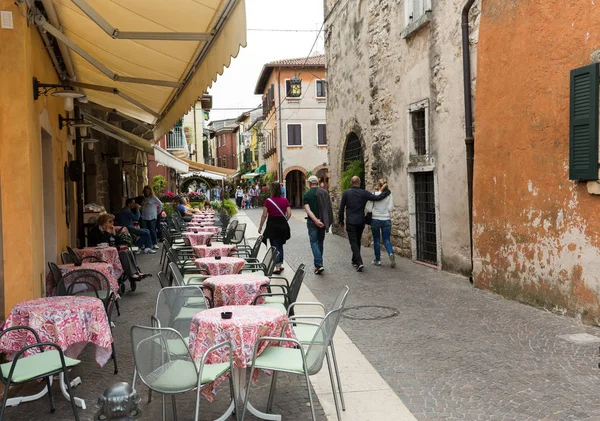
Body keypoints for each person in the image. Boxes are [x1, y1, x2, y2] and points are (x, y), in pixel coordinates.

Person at [338, 176, 391, 272]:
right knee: (357, 241)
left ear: (351, 182)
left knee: (353, 242)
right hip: (360, 221)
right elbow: (377, 198)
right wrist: (386, 192)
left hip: (350, 222)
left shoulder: (346, 193)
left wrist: (341, 221)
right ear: (360, 182)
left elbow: (341, 208)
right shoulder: (364, 193)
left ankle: (359, 262)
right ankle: (354, 260)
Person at [88, 213, 145, 281]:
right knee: (124, 253)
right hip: (102, 253)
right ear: (103, 222)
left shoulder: (108, 229)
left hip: (112, 250)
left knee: (128, 251)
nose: (112, 223)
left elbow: (117, 242)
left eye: (112, 221)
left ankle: (136, 272)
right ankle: (132, 274)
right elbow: (100, 243)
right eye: (110, 222)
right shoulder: (95, 231)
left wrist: (114, 233)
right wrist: (108, 233)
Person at [258, 181, 291, 275]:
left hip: (272, 225)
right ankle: (279, 264)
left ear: (272, 190)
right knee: (280, 245)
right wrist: (284, 221)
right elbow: (289, 213)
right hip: (282, 225)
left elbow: (264, 215)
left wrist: (260, 227)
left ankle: (277, 267)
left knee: (274, 245)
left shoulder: (268, 201)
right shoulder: (285, 200)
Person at [303, 175, 333, 275]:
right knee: (320, 242)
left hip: (312, 222)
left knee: (314, 242)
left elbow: (308, 210)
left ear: (309, 183)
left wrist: (316, 221)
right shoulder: (324, 192)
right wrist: (324, 221)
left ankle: (319, 265)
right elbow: (329, 207)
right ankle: (319, 264)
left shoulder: (307, 195)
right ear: (317, 182)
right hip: (323, 221)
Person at [366, 178, 396, 268]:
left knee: (376, 240)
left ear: (378, 185)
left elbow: (369, 209)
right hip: (386, 219)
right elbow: (391, 208)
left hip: (375, 219)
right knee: (386, 239)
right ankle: (391, 253)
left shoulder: (374, 194)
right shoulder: (389, 195)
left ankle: (378, 260)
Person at [140, 185, 162, 249]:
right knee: (145, 231)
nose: (146, 192)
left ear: (150, 191)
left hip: (152, 216)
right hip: (144, 216)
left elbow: (160, 204)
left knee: (152, 230)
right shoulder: (142, 198)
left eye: (148, 191)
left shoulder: (154, 198)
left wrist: (158, 212)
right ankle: (145, 244)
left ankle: (154, 243)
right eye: (145, 191)